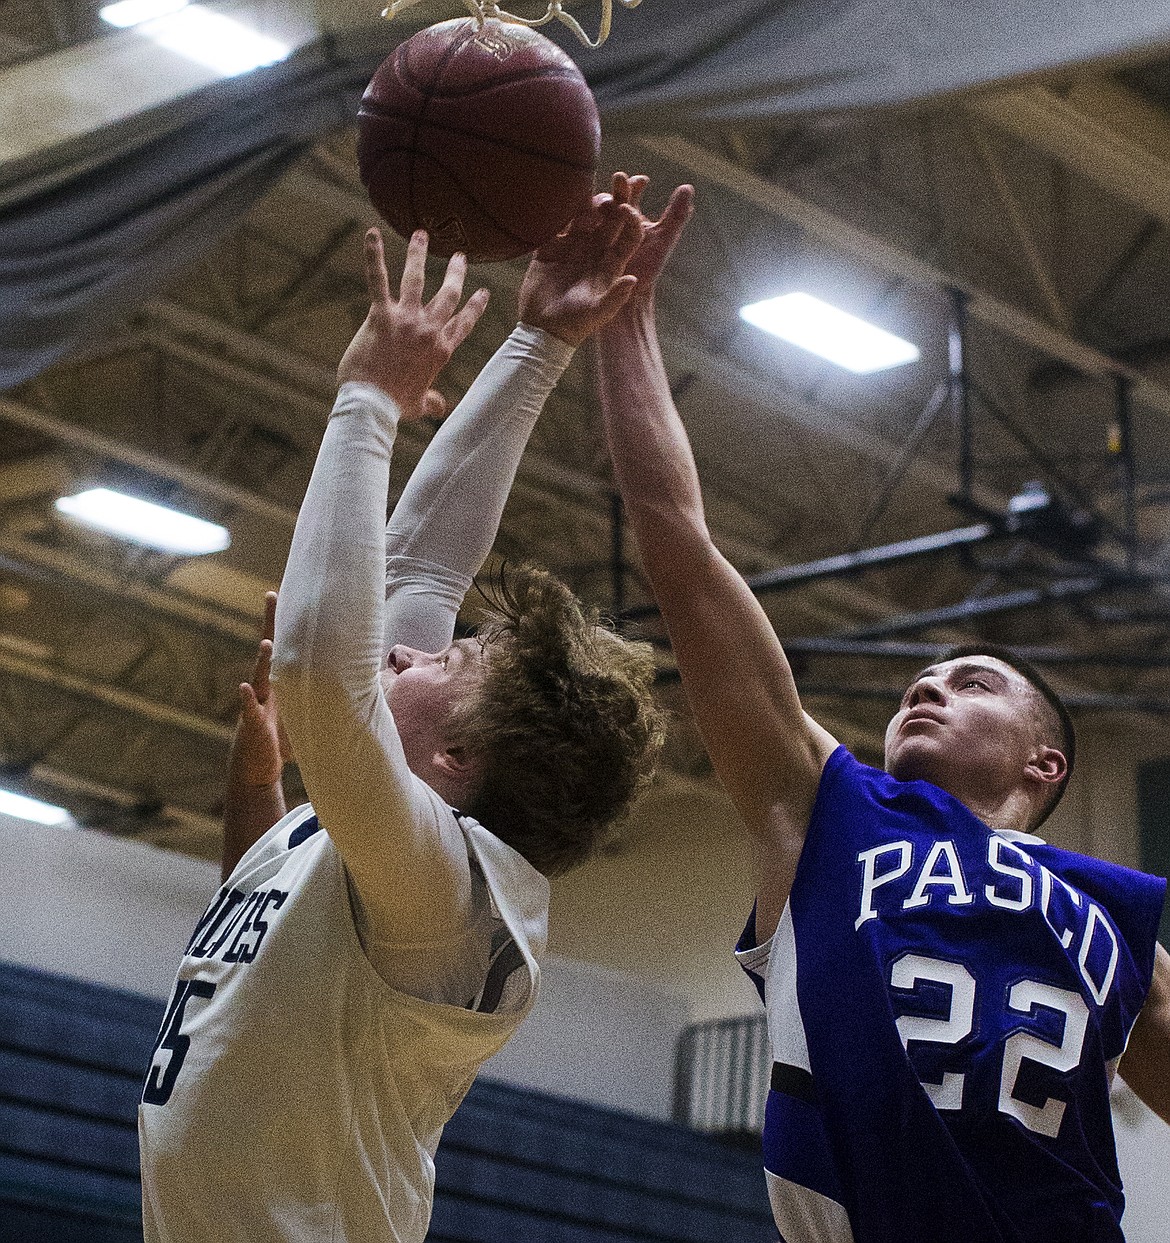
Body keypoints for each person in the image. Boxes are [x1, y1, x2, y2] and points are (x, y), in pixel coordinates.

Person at [595, 172, 1170, 1243]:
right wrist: (624, 326)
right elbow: (677, 539)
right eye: (923, 677)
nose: (928, 684)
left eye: (974, 680)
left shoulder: (1113, 913)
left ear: (1047, 765)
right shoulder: (825, 810)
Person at [138, 196, 665, 1243]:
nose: (415, 642)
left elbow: (323, 676)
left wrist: (369, 400)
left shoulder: (451, 893)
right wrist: (540, 339)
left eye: (447, 657)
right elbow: (422, 560)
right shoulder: (391, 845)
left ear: (457, 757)